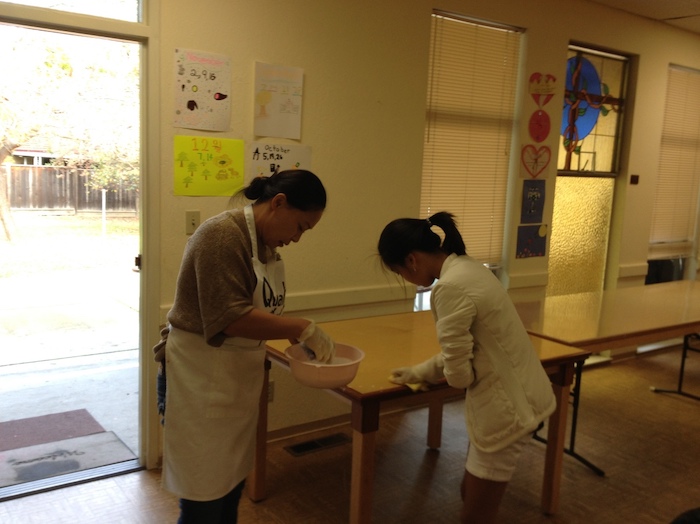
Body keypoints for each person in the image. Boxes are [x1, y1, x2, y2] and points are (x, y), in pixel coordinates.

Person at [160, 169, 335, 523]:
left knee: (229, 489)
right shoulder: (222, 236)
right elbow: (229, 317)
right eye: (300, 226)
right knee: (204, 501)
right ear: (279, 203)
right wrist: (300, 327)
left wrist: (291, 332)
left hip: (234, 382)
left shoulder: (266, 247)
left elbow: (256, 309)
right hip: (197, 379)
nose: (297, 238)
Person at [377, 211, 556, 524]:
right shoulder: (468, 267)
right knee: (469, 493)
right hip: (525, 396)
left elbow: (460, 376)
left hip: (508, 411)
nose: (406, 280)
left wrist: (444, 372)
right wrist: (422, 372)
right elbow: (474, 349)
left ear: (411, 260)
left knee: (475, 514)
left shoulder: (449, 288)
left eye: (399, 272)